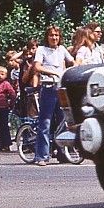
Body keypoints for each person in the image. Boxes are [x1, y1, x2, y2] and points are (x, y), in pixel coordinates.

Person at [33, 25, 74, 166]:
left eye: (56, 35)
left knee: (63, 120)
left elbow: (73, 62)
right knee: (45, 122)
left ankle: (63, 153)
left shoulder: (62, 49)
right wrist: (54, 72)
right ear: (47, 37)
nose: (54, 38)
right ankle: (42, 156)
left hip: (60, 88)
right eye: (51, 35)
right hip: (48, 87)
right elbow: (37, 67)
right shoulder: (41, 50)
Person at [0, 66, 16, 151]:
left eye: (2, 74)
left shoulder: (6, 84)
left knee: (4, 126)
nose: (0, 76)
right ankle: (0, 144)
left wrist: (11, 104)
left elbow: (12, 94)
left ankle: (7, 144)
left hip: (4, 107)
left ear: (6, 75)